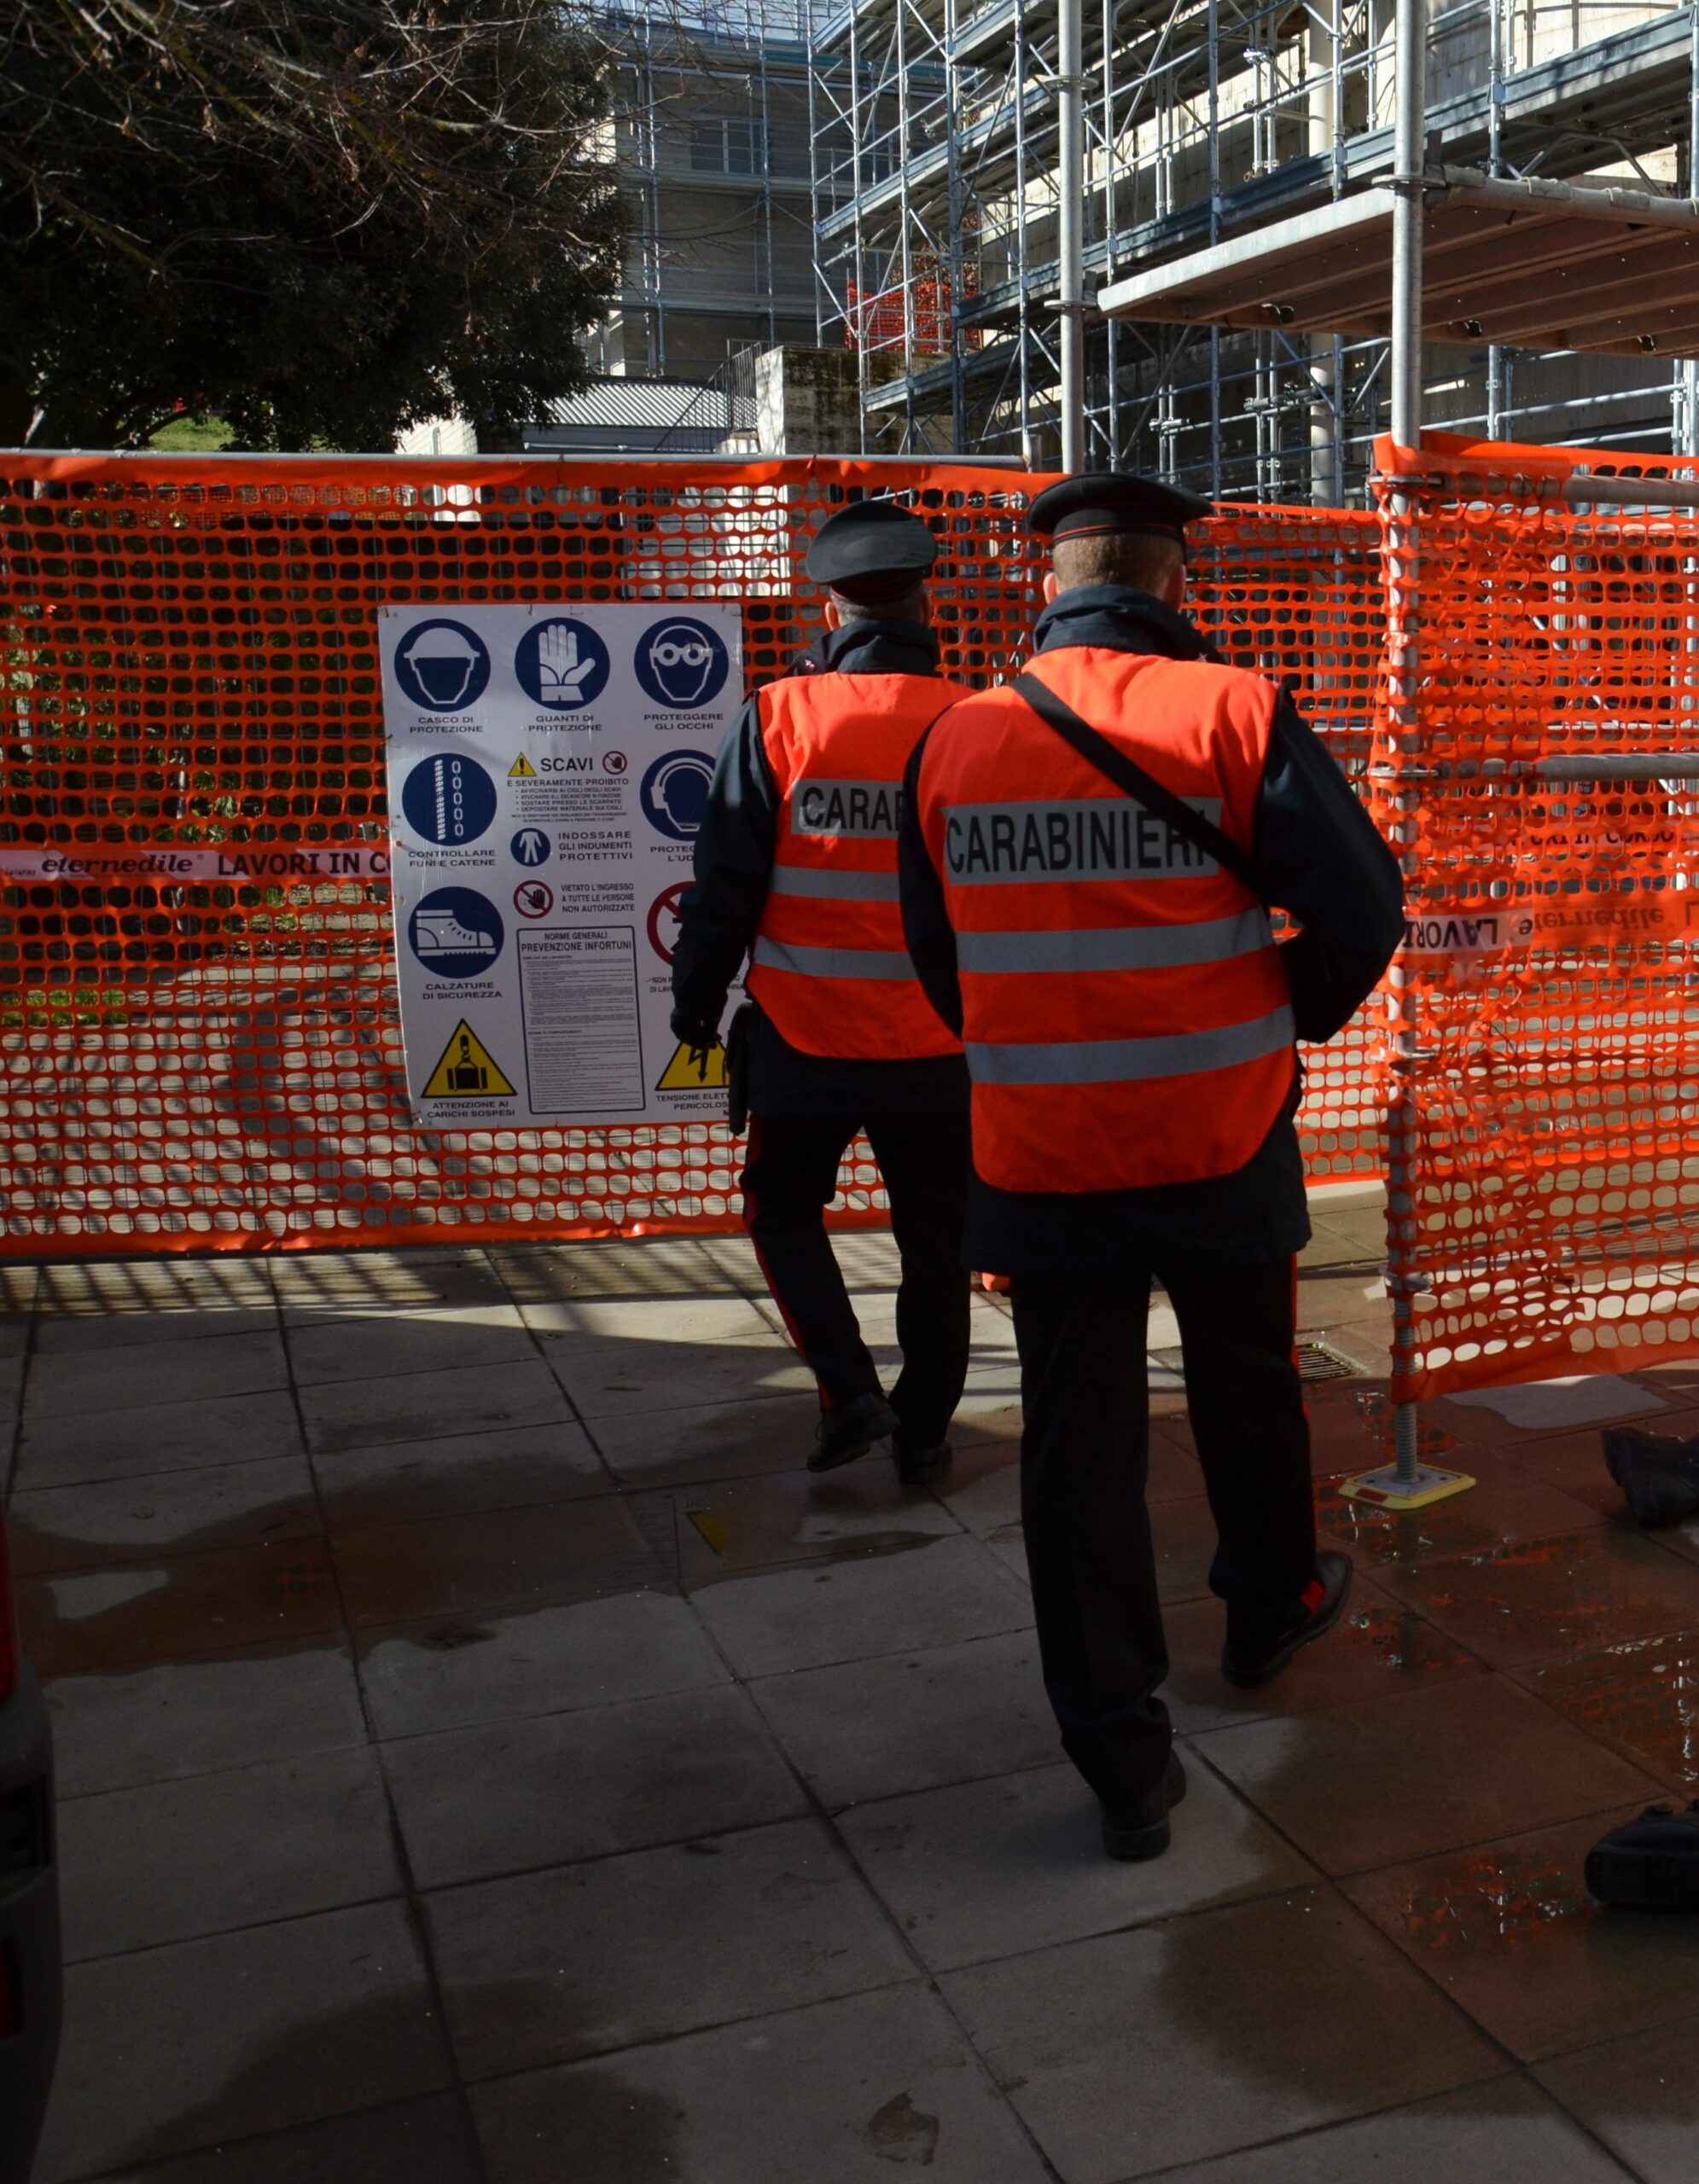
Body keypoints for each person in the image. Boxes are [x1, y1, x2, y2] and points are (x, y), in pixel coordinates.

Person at [899, 472, 1405, 1860]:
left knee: (1076, 1450)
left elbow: (937, 957)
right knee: (1246, 1388)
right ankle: (1266, 1610)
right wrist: (1281, 1013)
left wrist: (1028, 1043)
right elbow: (1366, 904)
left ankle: (1121, 1761)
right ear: (1174, 581)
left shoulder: (957, 740)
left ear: (1046, 586)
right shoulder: (1232, 713)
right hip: (1218, 1139)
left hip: (1039, 1155)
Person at [670, 498, 973, 1483]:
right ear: (926, 604)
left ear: (830, 609)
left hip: (805, 1036)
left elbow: (726, 883)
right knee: (937, 1239)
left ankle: (847, 1393)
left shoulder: (776, 717)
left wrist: (695, 997)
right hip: (940, 1041)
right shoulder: (973, 721)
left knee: (780, 1208)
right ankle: (922, 1432)